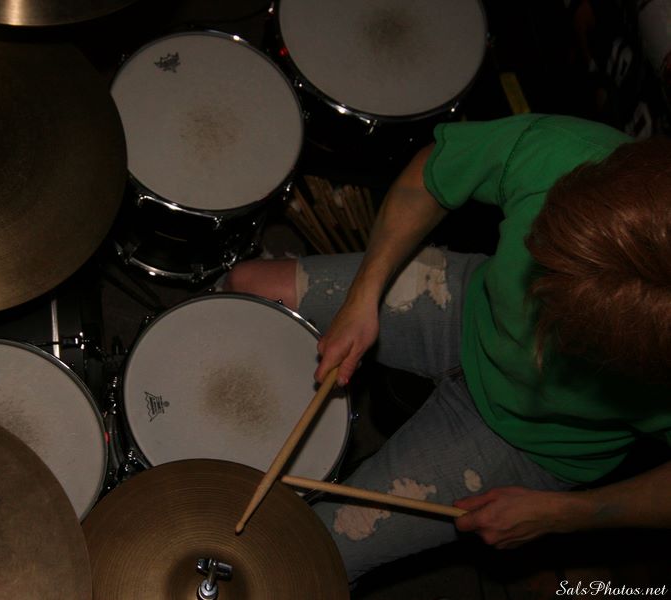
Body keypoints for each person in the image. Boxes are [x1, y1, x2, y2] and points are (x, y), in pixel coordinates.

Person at [223, 113, 671, 582]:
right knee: (248, 288)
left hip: (531, 443)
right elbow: (429, 176)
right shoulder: (575, 155)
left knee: (300, 560)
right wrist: (363, 296)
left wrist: (566, 514)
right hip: (466, 306)